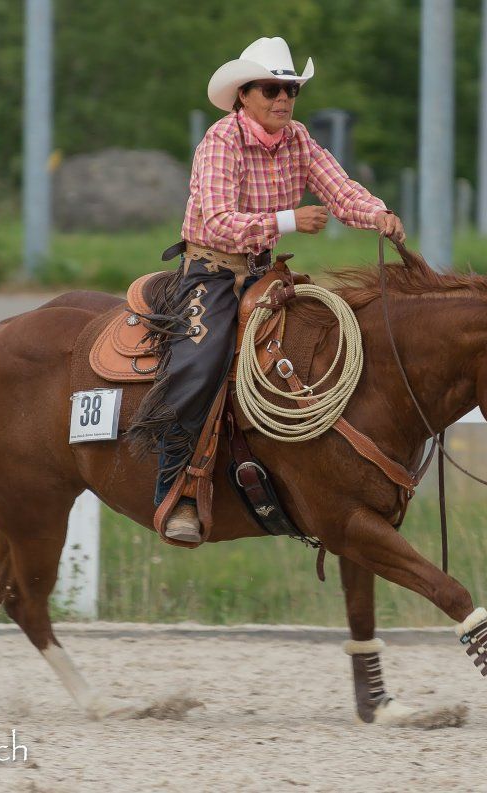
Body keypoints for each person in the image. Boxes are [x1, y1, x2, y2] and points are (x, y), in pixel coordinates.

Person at [127, 36, 406, 543]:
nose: (284, 98)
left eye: (291, 89)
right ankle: (176, 490)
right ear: (244, 95)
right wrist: (288, 219)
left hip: (262, 273)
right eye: (272, 88)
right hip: (209, 272)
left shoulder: (298, 139)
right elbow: (214, 222)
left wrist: (378, 214)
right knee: (199, 362)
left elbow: (341, 190)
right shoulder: (221, 140)